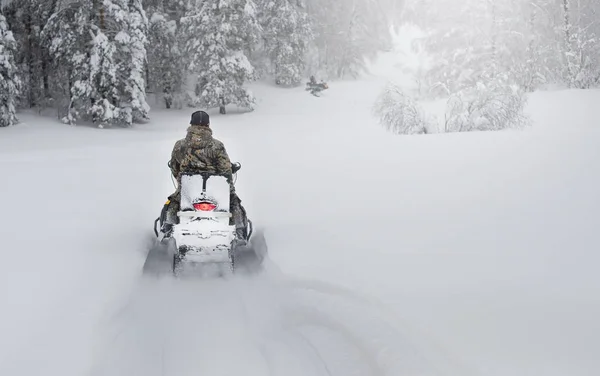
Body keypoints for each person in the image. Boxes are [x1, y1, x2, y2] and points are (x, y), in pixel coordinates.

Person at [163, 110, 249, 242]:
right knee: (234, 203)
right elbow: (225, 170)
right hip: (216, 190)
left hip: (189, 189)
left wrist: (181, 179)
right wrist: (228, 186)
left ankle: (167, 231)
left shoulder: (180, 145)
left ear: (191, 124)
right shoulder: (217, 145)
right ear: (208, 125)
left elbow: (175, 167)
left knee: (173, 203)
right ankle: (239, 232)